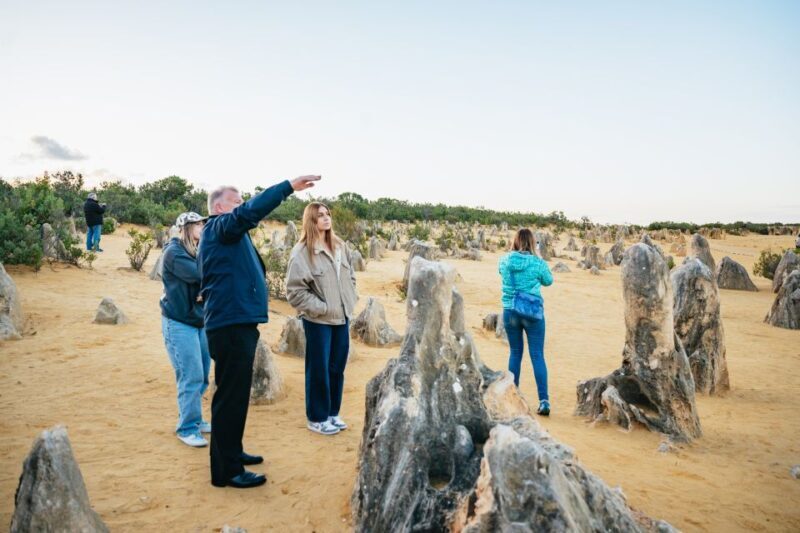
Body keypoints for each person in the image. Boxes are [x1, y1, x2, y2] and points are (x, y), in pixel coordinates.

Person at [199, 175, 320, 489]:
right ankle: (227, 471)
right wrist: (287, 188)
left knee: (235, 395)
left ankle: (232, 452)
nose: (242, 205)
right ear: (220, 207)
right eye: (237, 201)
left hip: (236, 322)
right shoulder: (219, 227)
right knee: (230, 397)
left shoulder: (227, 234)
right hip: (230, 325)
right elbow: (249, 213)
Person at [286, 203, 358, 436]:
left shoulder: (340, 246)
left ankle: (332, 413)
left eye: (328, 214)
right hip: (318, 321)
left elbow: (351, 276)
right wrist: (322, 308)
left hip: (342, 316)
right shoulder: (302, 252)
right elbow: (294, 292)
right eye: (320, 216)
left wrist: (350, 298)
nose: (326, 218)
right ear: (311, 220)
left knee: (337, 367)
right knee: (319, 369)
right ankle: (317, 417)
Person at [160, 212, 211, 447]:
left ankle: (195, 418)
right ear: (186, 228)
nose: (202, 227)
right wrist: (203, 288)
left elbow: (204, 279)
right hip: (179, 323)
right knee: (191, 375)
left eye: (202, 223)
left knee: (202, 374)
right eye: (198, 224)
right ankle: (187, 427)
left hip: (199, 321)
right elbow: (202, 275)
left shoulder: (196, 250)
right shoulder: (174, 252)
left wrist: (203, 291)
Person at [498, 229, 553, 416]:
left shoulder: (505, 260)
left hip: (510, 311)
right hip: (533, 313)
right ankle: (544, 401)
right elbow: (549, 281)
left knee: (515, 353)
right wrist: (539, 257)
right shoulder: (537, 263)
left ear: (515, 241)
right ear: (532, 242)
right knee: (537, 355)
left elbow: (500, 271)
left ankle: (513, 398)